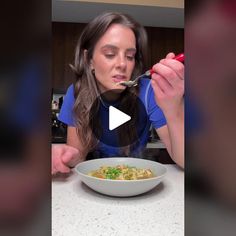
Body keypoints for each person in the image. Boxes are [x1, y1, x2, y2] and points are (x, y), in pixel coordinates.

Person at [52, 12, 184, 175]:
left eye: (130, 56)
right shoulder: (76, 92)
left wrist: (174, 107)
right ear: (89, 60)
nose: (123, 64)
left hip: (135, 180)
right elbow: (77, 157)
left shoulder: (150, 90)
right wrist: (63, 155)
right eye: (110, 54)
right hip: (96, 181)